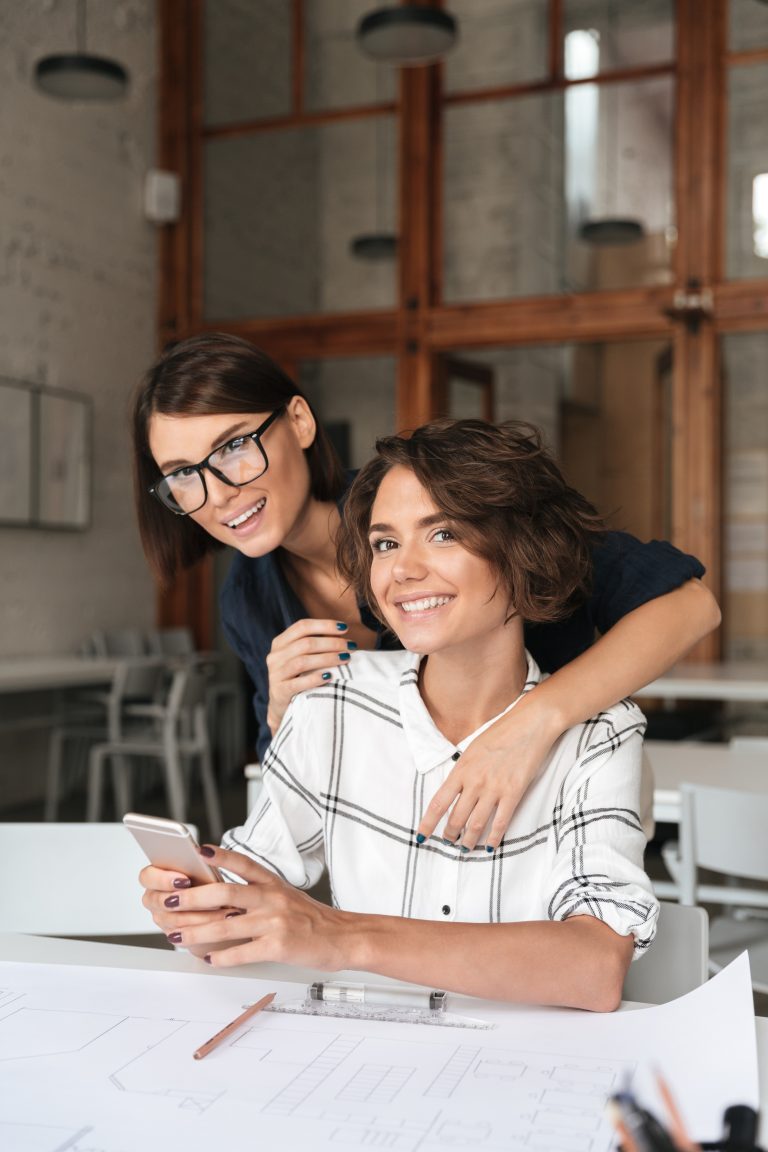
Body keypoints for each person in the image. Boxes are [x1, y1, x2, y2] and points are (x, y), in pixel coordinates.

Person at [140, 419, 658, 1010]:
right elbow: (248, 886)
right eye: (385, 543)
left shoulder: (600, 733)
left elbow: (594, 968)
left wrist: (345, 938)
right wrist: (202, 902)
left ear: (525, 554)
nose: (402, 570)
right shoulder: (329, 702)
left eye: (442, 535)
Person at [133, 333, 720, 849]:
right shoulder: (248, 599)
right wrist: (285, 713)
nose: (218, 492)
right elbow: (296, 787)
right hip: (412, 851)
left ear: (300, 422)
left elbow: (690, 605)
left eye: (234, 446)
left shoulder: (421, 497)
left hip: (557, 815)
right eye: (184, 473)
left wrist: (532, 723)